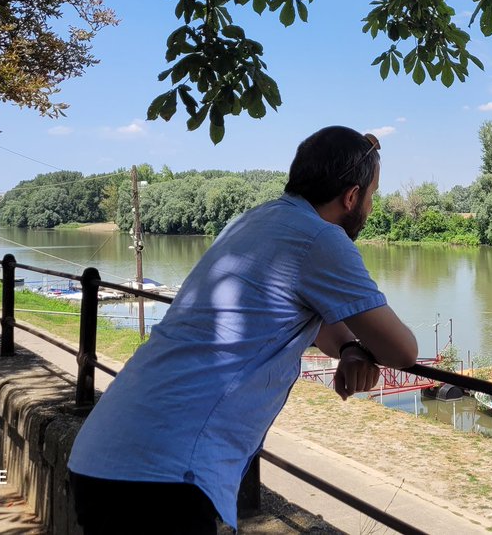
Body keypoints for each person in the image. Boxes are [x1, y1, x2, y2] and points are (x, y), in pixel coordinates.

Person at [66, 126, 418, 534]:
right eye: (372, 196)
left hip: (102, 456)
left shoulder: (256, 220)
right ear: (352, 196)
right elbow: (402, 351)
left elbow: (303, 316)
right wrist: (361, 347)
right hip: (163, 478)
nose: (371, 207)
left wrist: (350, 349)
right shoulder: (322, 239)